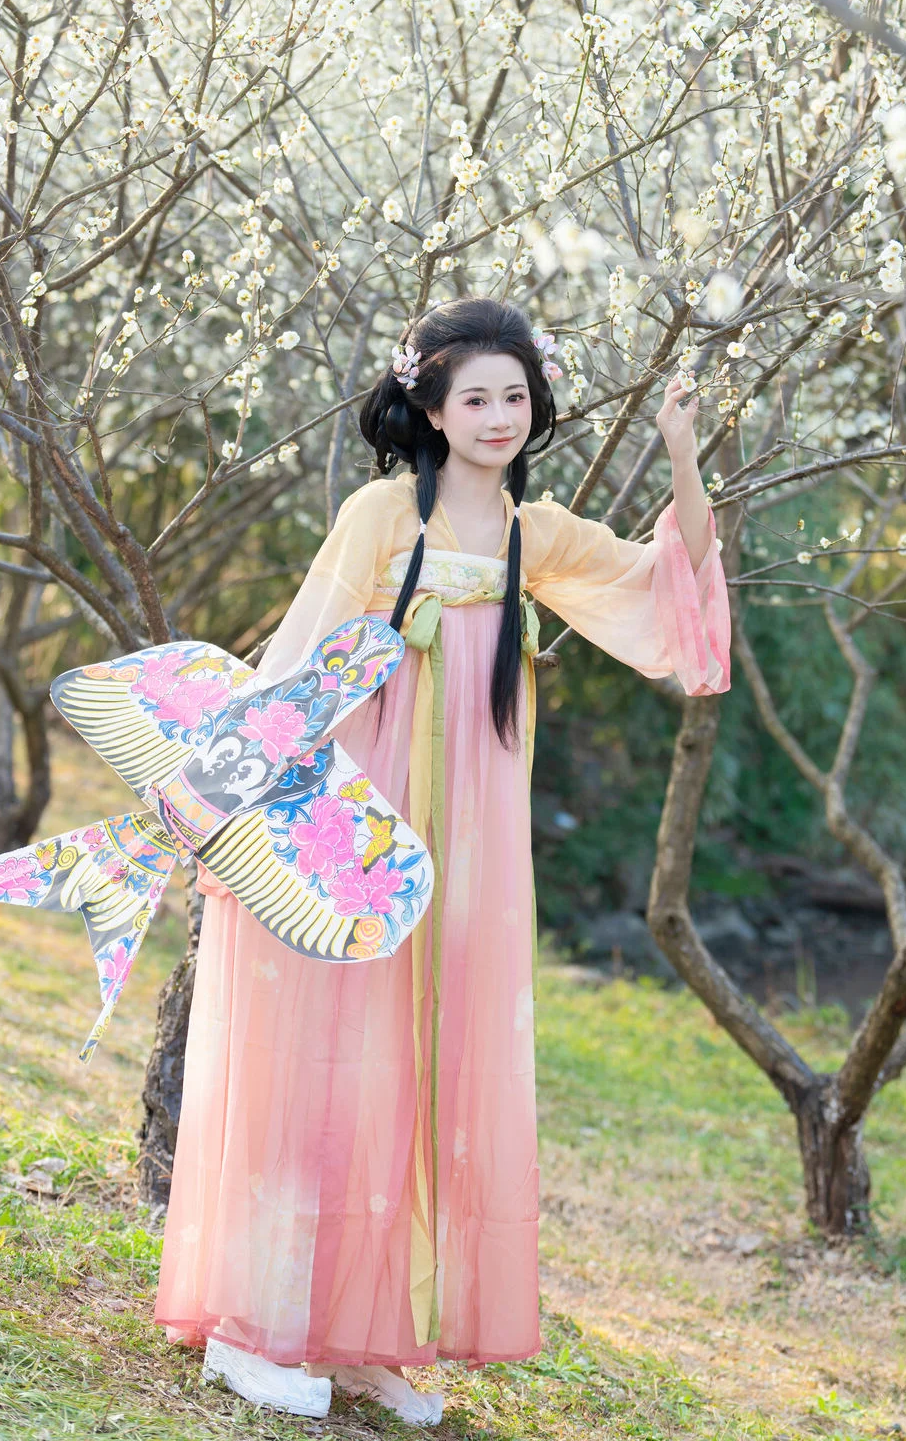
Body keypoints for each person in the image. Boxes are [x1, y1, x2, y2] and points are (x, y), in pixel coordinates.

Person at [155, 296, 730, 1425]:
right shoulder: (380, 514)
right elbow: (303, 655)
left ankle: (366, 1330)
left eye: (516, 396)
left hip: (470, 828)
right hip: (359, 809)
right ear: (430, 407)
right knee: (322, 1048)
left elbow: (670, 588)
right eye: (477, 398)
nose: (500, 416)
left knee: (419, 1058)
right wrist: (238, 799)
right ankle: (256, 1325)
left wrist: (681, 456)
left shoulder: (532, 534)